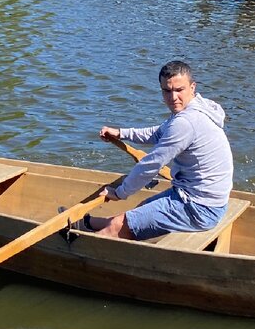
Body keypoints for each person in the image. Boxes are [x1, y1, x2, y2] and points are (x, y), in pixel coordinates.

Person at [79, 61, 233, 240]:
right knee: (141, 209)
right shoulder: (198, 107)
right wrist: (121, 133)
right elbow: (159, 132)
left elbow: (151, 165)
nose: (173, 97)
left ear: (192, 87)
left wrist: (120, 193)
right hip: (207, 201)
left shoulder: (186, 122)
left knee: (117, 227)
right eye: (167, 91)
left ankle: (74, 253)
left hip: (198, 208)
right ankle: (87, 224)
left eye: (179, 90)